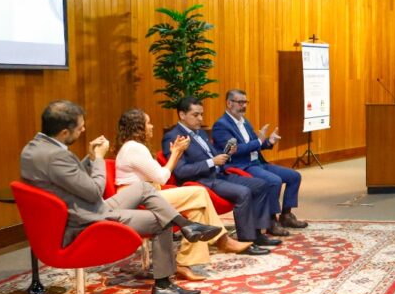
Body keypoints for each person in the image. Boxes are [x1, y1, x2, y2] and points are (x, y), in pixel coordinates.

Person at [20, 100, 221, 294]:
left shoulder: (33, 148)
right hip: (87, 218)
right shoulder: (56, 156)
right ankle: (164, 284)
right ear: (64, 132)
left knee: (143, 187)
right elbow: (94, 191)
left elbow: (71, 177)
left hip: (87, 208)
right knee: (162, 220)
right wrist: (98, 158)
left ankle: (187, 225)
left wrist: (89, 158)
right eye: (80, 127)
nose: (83, 130)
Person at [114, 108, 258, 278]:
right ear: (138, 128)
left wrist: (176, 153)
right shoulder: (134, 148)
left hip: (150, 195)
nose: (152, 126)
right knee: (199, 193)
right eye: (148, 123)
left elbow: (159, 177)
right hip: (140, 201)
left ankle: (183, 263)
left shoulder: (134, 147)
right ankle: (222, 240)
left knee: (197, 211)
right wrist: (176, 153)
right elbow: (162, 177)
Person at [163, 96, 279, 252]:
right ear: (182, 115)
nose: (200, 119)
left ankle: (257, 233)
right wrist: (212, 162)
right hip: (201, 181)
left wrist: (226, 153)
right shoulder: (173, 137)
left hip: (219, 175)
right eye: (195, 115)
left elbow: (214, 154)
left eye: (201, 114)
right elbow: (180, 171)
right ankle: (246, 241)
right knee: (244, 192)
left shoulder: (201, 133)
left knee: (260, 184)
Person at [212, 89, 308, 231]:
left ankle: (286, 215)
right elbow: (235, 150)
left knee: (294, 176)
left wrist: (268, 141)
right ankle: (270, 221)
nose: (244, 106)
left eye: (245, 102)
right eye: (240, 102)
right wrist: (258, 141)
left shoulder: (244, 122)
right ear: (229, 103)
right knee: (274, 181)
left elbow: (255, 144)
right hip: (242, 166)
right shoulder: (221, 125)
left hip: (258, 163)